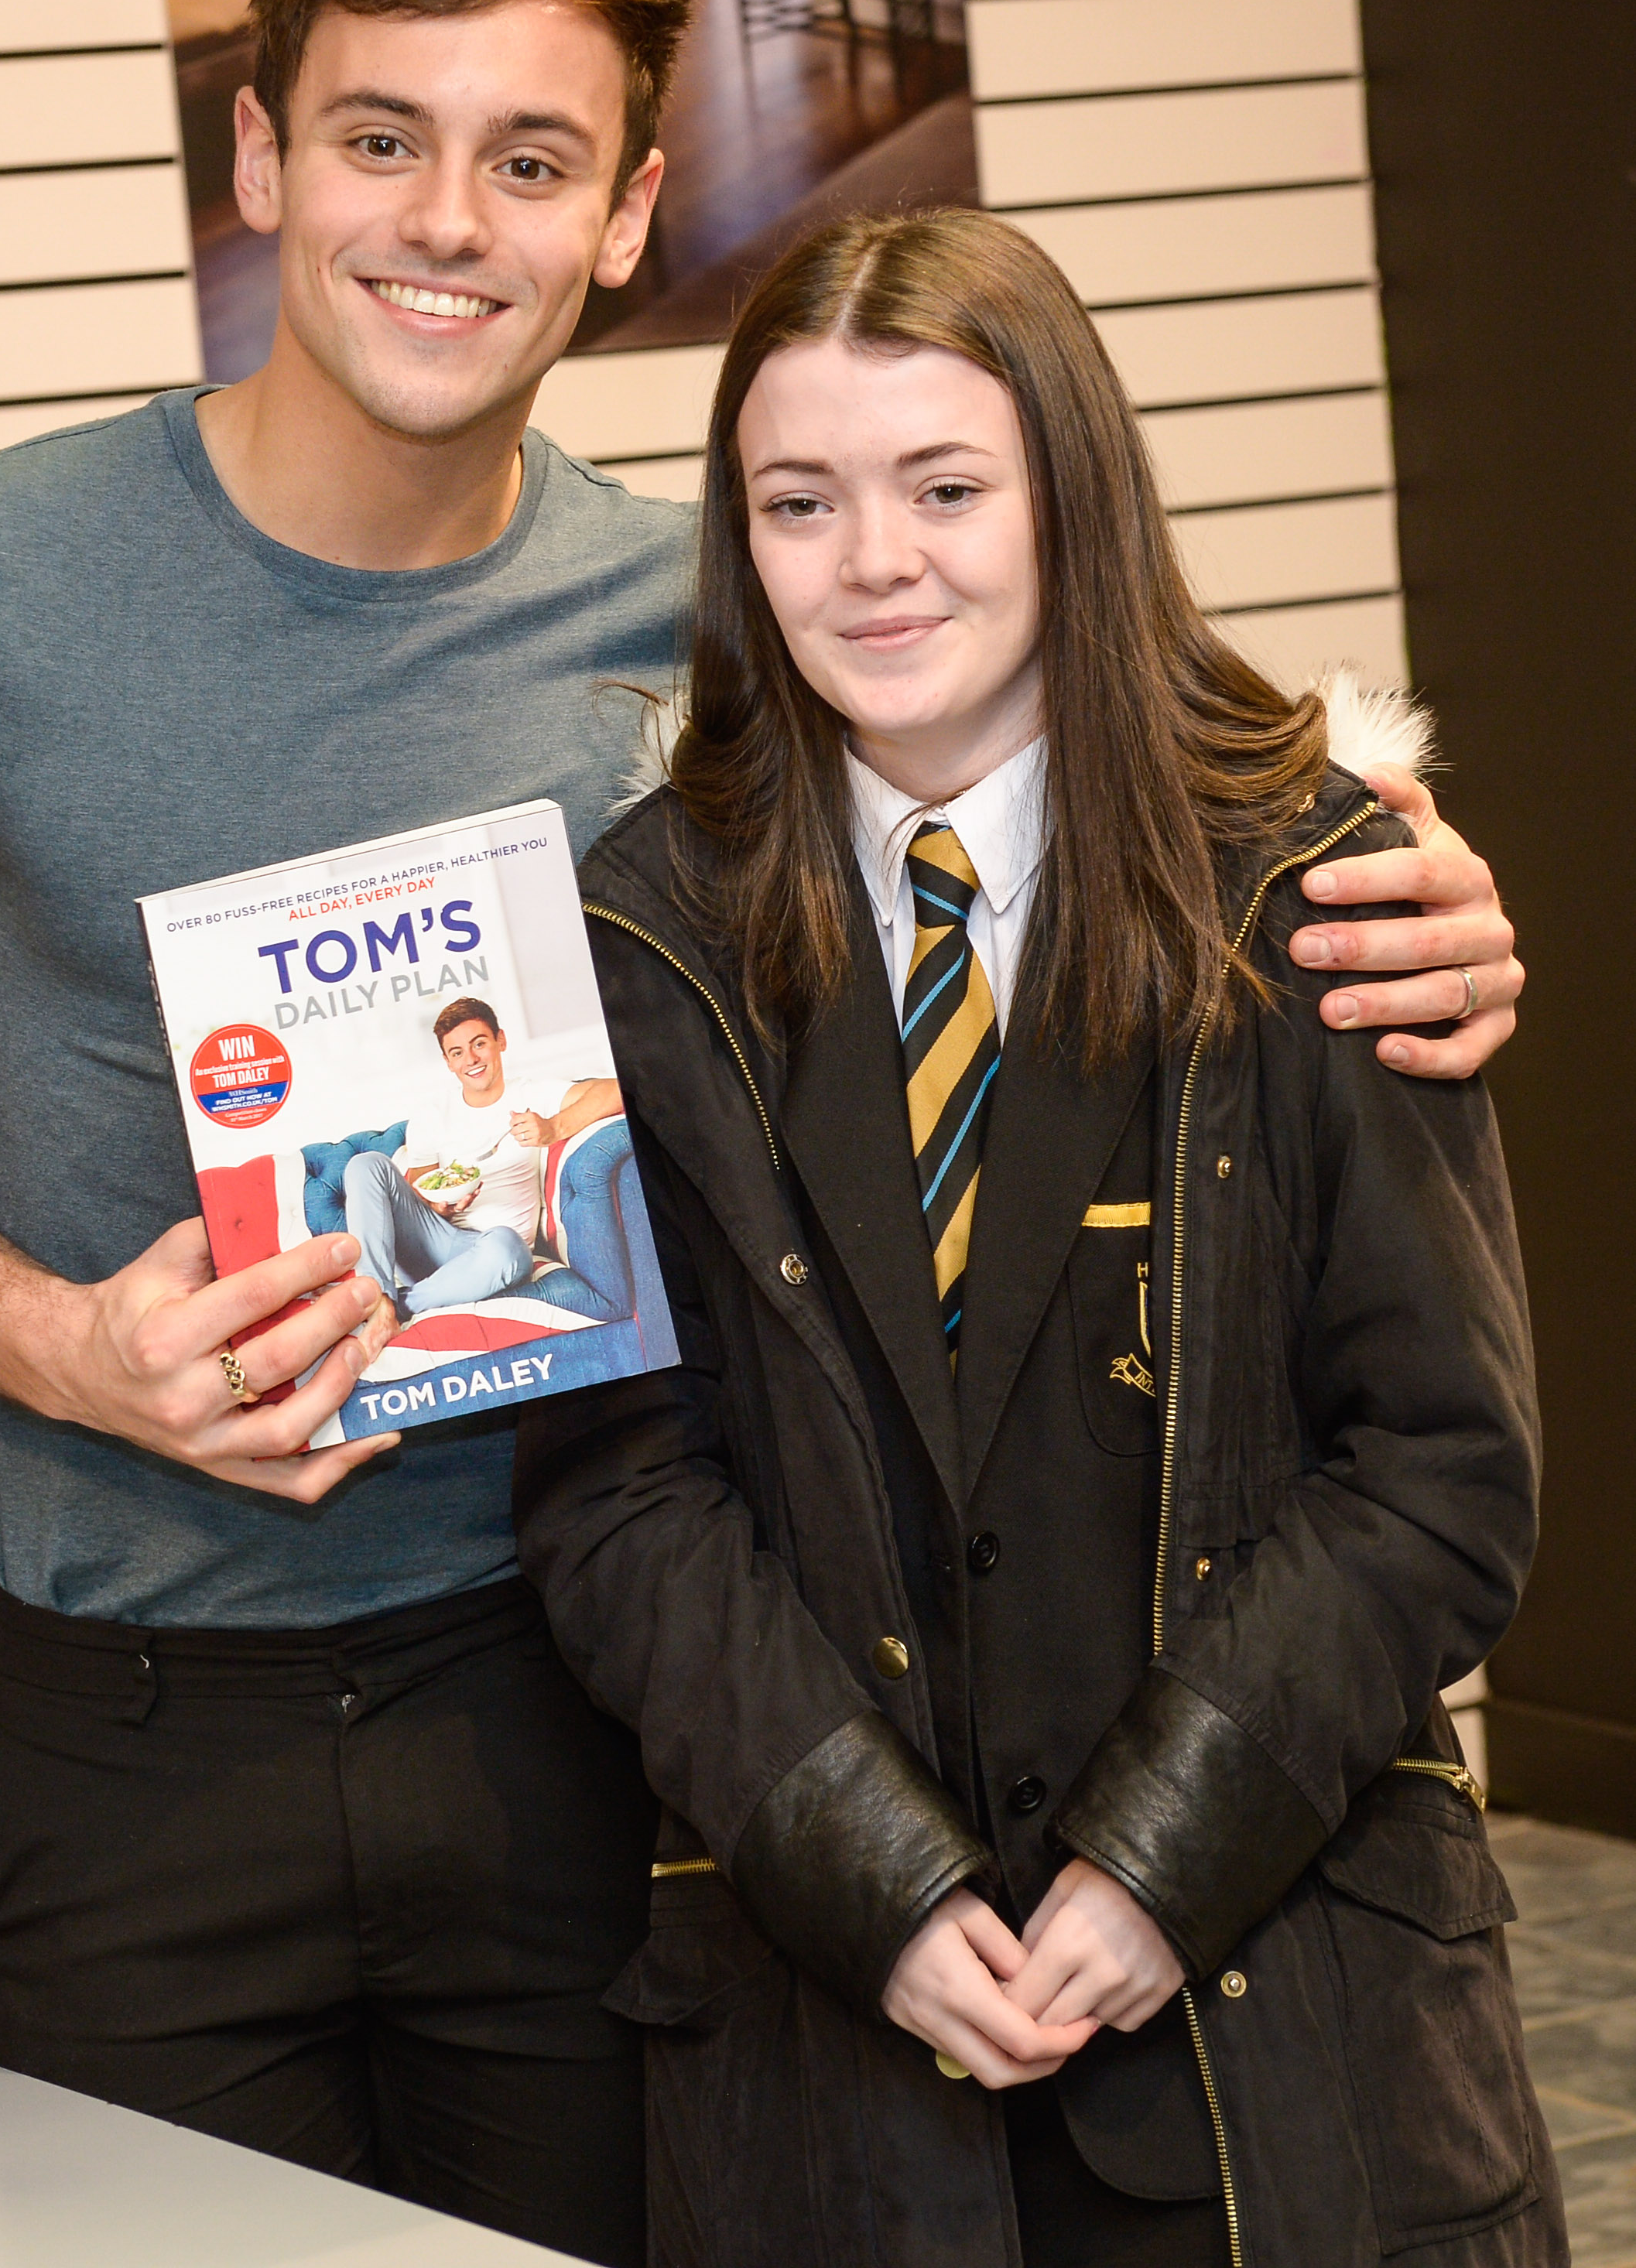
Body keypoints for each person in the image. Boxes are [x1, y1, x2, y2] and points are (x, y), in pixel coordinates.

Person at [0, 0, 1525, 2267]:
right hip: (139, 1717)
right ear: (258, 155)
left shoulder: (722, 631)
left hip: (587, 1716)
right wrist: (69, 1344)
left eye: (526, 157)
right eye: (378, 137)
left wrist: (1387, 882)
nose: (446, 218)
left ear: (626, 208)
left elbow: (1078, 785)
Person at [512, 209, 1560, 2268]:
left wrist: (1153, 1865)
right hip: (839, 2045)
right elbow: (622, 1494)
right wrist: (876, 1887)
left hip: (1282, 2036)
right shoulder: (642, 934)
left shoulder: (1323, 883)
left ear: (1069, 492)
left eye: (943, 488)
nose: (873, 562)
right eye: (797, 503)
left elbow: (1439, 1471)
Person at [344, 997, 621, 1329]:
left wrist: (553, 1128)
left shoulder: (532, 1094)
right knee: (366, 1164)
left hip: (497, 1253)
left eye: (479, 1044)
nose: (471, 1059)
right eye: (457, 1052)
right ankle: (377, 1298)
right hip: (437, 1242)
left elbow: (616, 1090)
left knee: (507, 1245)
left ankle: (394, 1310)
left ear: (500, 1041)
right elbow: (420, 1193)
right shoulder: (432, 1114)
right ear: (448, 1062)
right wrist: (439, 1207)